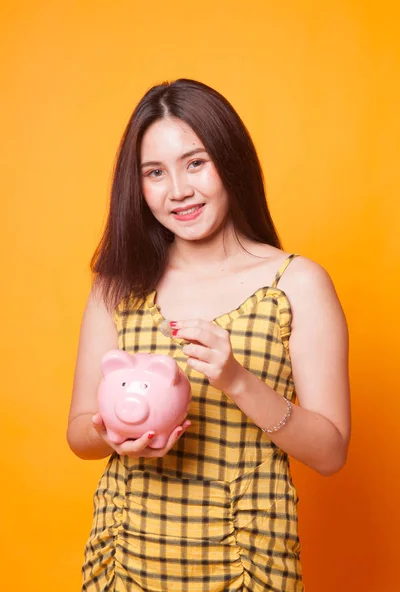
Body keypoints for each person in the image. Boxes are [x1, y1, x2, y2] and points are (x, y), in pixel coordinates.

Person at [67, 78, 351, 592]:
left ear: (231, 160)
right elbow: (78, 436)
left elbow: (330, 454)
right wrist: (113, 434)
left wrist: (237, 379)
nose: (178, 191)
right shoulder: (117, 286)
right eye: (155, 172)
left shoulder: (297, 284)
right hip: (126, 558)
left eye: (195, 162)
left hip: (248, 564)